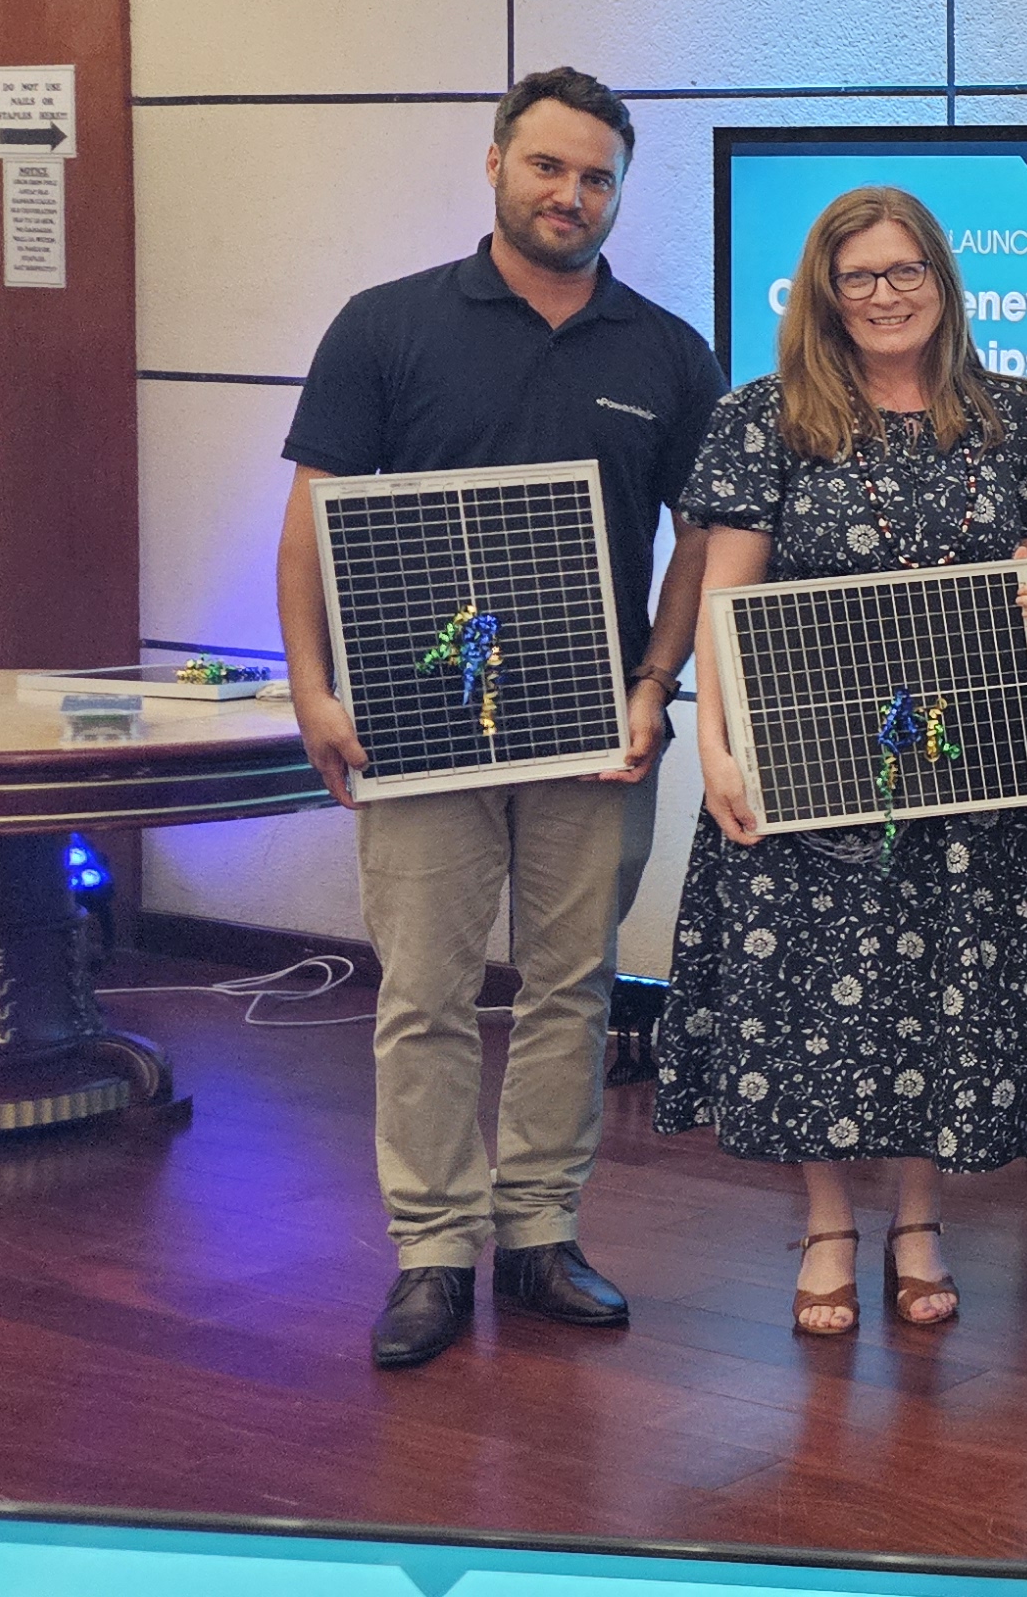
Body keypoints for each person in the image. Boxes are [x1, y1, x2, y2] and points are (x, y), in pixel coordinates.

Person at [273, 67, 726, 1370]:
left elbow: (699, 542)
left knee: (571, 988)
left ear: (620, 193)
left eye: (596, 178)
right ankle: (431, 1250)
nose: (570, 195)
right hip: (417, 729)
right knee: (421, 989)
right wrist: (314, 691)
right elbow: (311, 526)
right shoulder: (385, 327)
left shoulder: (666, 352)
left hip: (596, 730)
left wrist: (653, 686)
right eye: (549, 168)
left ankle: (537, 1232)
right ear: (494, 165)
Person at [654, 184, 1027, 1335]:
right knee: (816, 1008)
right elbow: (721, 600)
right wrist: (716, 746)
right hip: (807, 770)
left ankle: (921, 1221)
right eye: (859, 278)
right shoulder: (764, 417)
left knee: (947, 1002)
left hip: (972, 770)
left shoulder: (1019, 416)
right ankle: (832, 1222)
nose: (884, 297)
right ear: (823, 296)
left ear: (942, 282)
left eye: (905, 274)